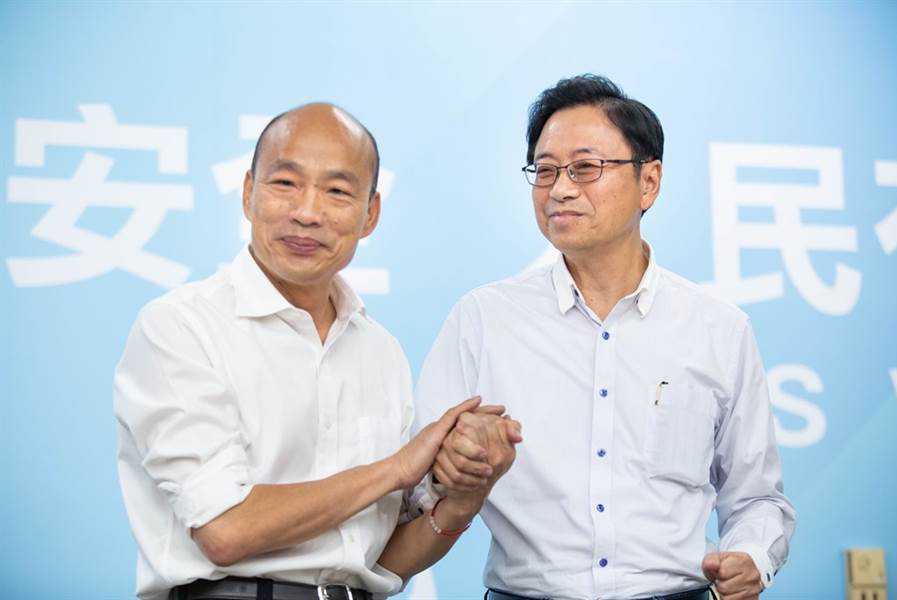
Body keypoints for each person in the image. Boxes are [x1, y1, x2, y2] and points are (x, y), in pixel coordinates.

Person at [114, 102, 519, 600]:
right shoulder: (181, 326)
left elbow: (381, 563)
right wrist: (396, 468)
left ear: (370, 214)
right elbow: (225, 530)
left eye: (337, 191)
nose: (307, 212)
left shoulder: (380, 350)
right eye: (285, 183)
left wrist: (464, 497)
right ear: (248, 193)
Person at [414, 75, 796, 600]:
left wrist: (752, 556)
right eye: (545, 171)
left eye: (585, 168)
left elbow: (757, 498)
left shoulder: (719, 329)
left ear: (649, 182)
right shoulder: (484, 319)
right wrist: (449, 470)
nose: (561, 189)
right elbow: (416, 486)